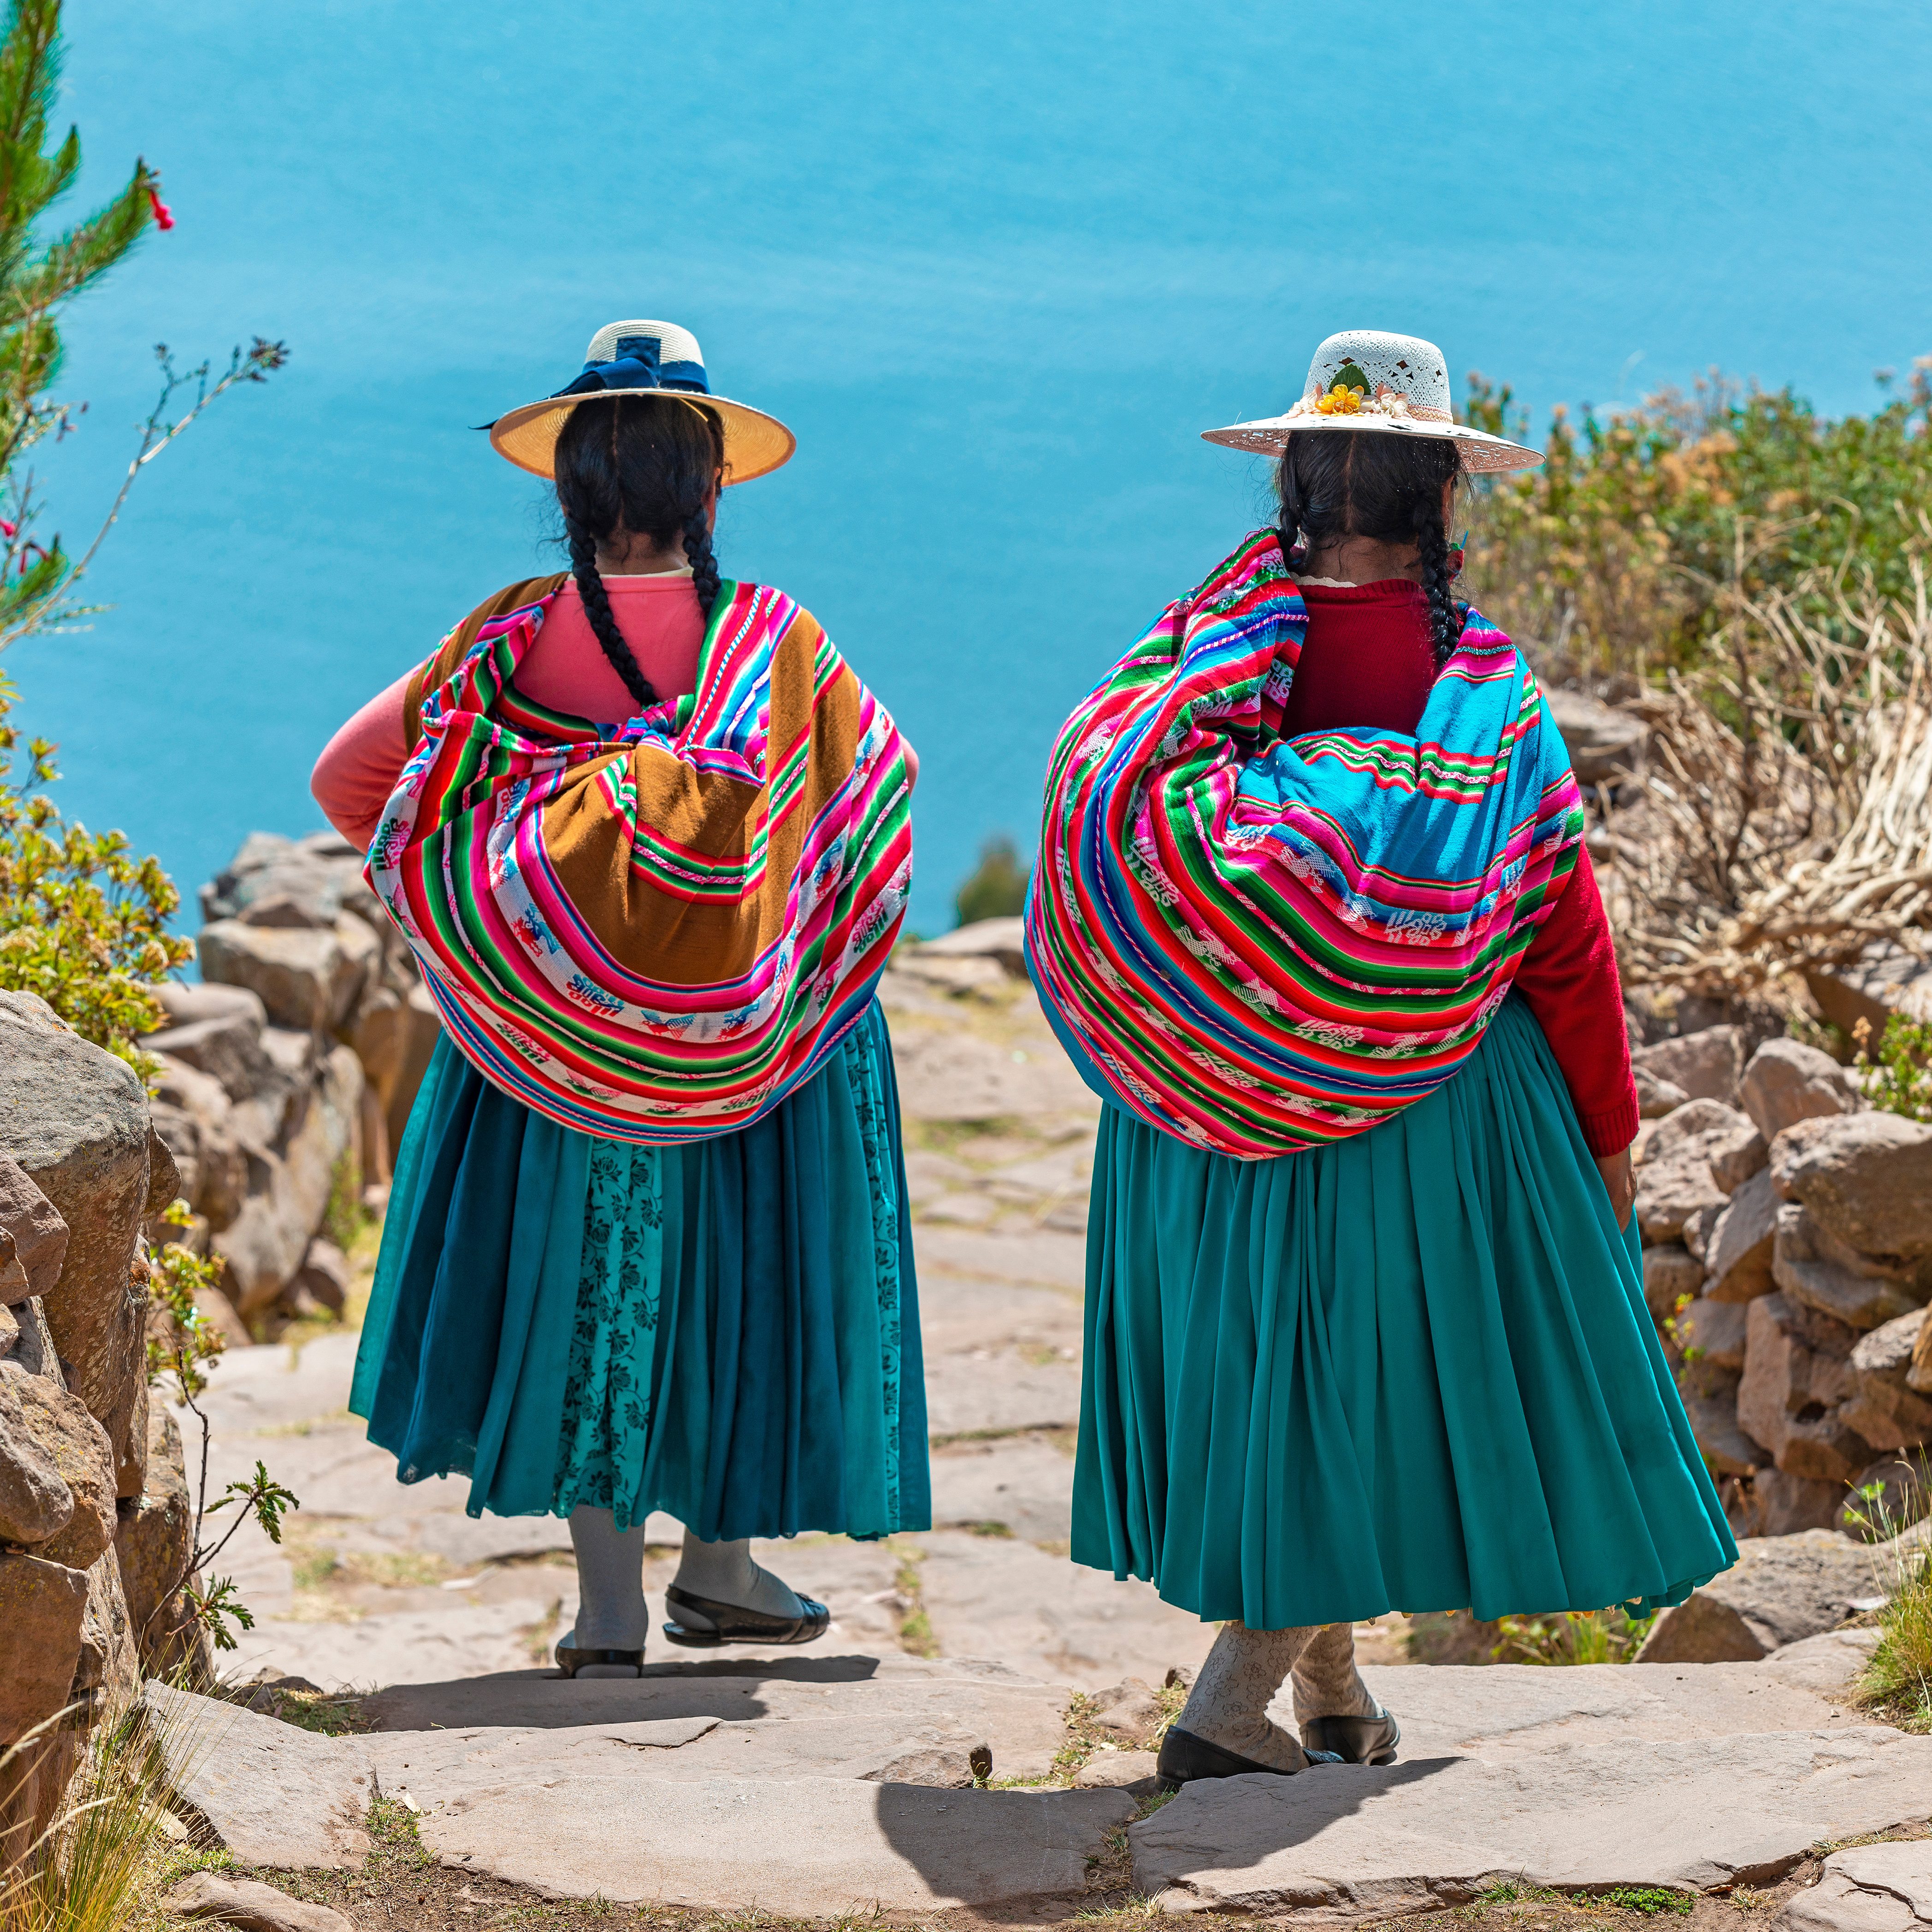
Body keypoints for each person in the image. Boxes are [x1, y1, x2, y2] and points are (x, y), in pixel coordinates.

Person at [1027, 330, 1735, 1785]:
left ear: (1296, 481)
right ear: (1442, 499)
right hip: (1425, 1108)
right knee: (1357, 1389)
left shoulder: (1200, 646)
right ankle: (1230, 1704)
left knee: (1282, 1382)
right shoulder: (1480, 692)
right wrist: (1609, 1132)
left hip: (1211, 1110)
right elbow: (1564, 933)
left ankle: (1333, 1685)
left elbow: (1104, 803)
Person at [312, 319, 926, 1676]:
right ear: (712, 492)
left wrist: (505, 921)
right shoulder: (778, 645)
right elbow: (879, 806)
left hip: (554, 1059)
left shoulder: (508, 646)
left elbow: (350, 782)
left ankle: (607, 1610)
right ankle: (722, 1567)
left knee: (594, 1286)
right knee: (739, 1277)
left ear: (571, 491)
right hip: (756, 1059)